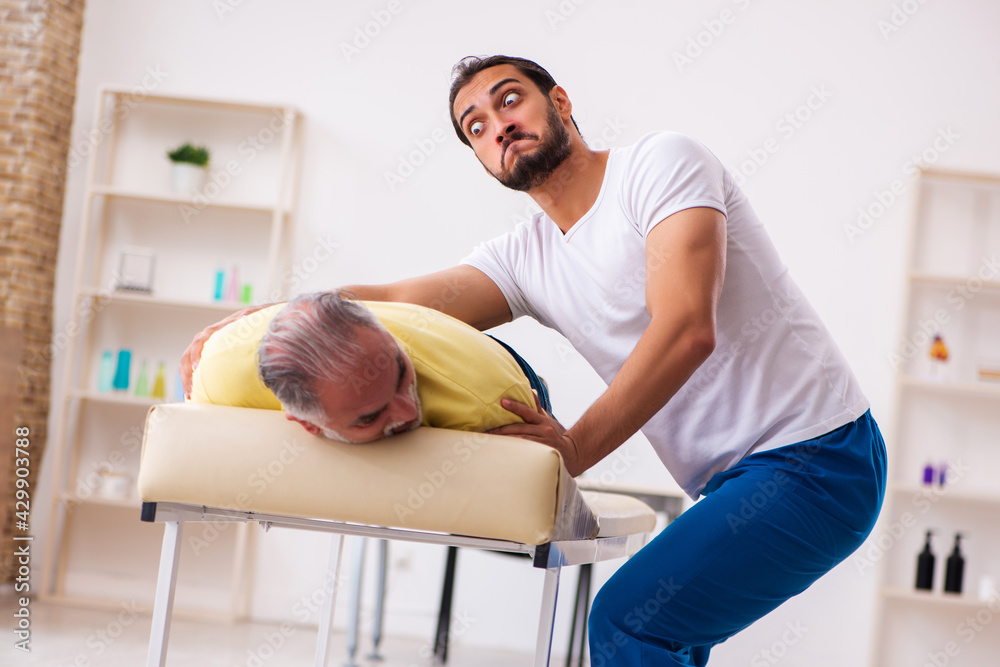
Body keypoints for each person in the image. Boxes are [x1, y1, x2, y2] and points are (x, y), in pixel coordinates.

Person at [181, 55, 886, 665]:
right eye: (475, 128)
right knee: (662, 629)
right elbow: (399, 300)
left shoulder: (660, 164)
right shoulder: (528, 256)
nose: (497, 126)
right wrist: (268, 317)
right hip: (739, 478)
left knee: (630, 619)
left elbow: (685, 329)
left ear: (561, 103)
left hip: (820, 457)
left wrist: (572, 447)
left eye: (509, 98)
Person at [189, 290, 550, 442]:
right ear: (306, 425)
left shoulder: (494, 404)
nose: (408, 410)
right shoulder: (215, 377)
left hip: (505, 374)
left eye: (400, 375)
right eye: (369, 417)